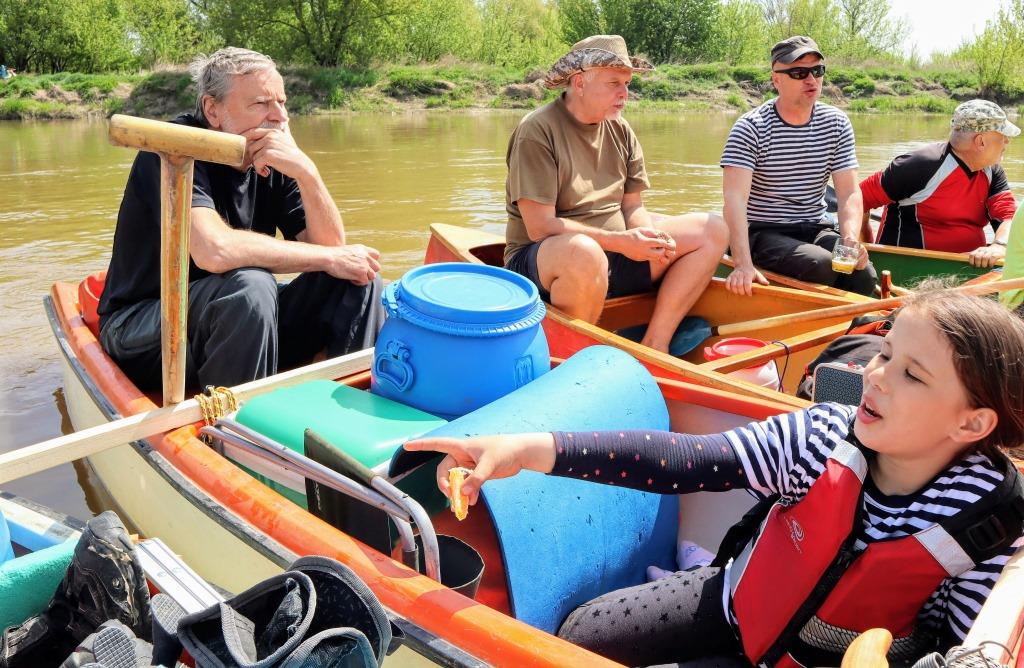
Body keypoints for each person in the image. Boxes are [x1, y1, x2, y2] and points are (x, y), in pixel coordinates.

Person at [406, 289, 1024, 667]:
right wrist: (525, 449)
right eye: (884, 353)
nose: (876, 376)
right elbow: (683, 461)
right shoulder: (822, 435)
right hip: (734, 603)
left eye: (912, 375)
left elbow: (964, 640)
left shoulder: (989, 524)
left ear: (972, 423)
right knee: (577, 638)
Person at [97, 47, 385, 391]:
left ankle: (344, 408)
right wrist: (330, 258)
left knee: (359, 276)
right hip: (142, 326)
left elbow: (332, 249)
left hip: (240, 319)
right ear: (212, 109)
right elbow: (214, 251)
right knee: (251, 287)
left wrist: (307, 171)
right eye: (261, 104)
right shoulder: (171, 150)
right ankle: (235, 422)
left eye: (282, 102)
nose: (279, 116)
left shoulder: (274, 156)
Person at [503, 35, 729, 353]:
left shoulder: (621, 129)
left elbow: (632, 205)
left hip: (616, 254)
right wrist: (622, 242)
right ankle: (573, 354)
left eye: (627, 83)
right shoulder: (537, 131)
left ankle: (656, 344)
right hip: (547, 263)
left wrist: (645, 237)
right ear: (579, 82)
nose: (624, 94)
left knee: (713, 229)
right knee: (584, 253)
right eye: (614, 83)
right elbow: (540, 227)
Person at [721, 36, 877, 297]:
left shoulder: (836, 123)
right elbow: (734, 200)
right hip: (762, 231)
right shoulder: (751, 127)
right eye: (799, 73)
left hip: (816, 226)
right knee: (821, 265)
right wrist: (742, 264)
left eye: (817, 70)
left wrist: (850, 239)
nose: (811, 79)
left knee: (863, 275)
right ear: (776, 80)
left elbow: (849, 192)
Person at [860, 99, 1018, 268]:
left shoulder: (992, 171)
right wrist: (865, 245)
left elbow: (1009, 217)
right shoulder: (920, 165)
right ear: (981, 141)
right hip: (906, 269)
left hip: (969, 269)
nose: (1007, 141)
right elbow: (857, 199)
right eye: (1002, 135)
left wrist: (999, 245)